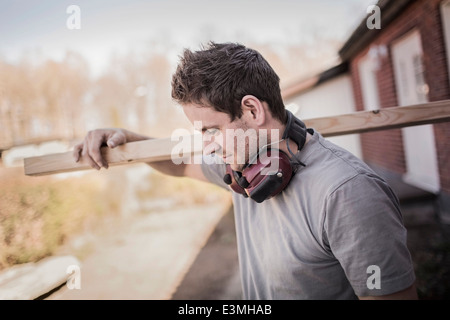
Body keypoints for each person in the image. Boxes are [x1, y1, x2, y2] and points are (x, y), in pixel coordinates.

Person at [73, 42, 418, 300]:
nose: (207, 145)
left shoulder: (347, 193)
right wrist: (125, 139)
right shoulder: (243, 165)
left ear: (252, 110)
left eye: (211, 130)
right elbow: (180, 166)